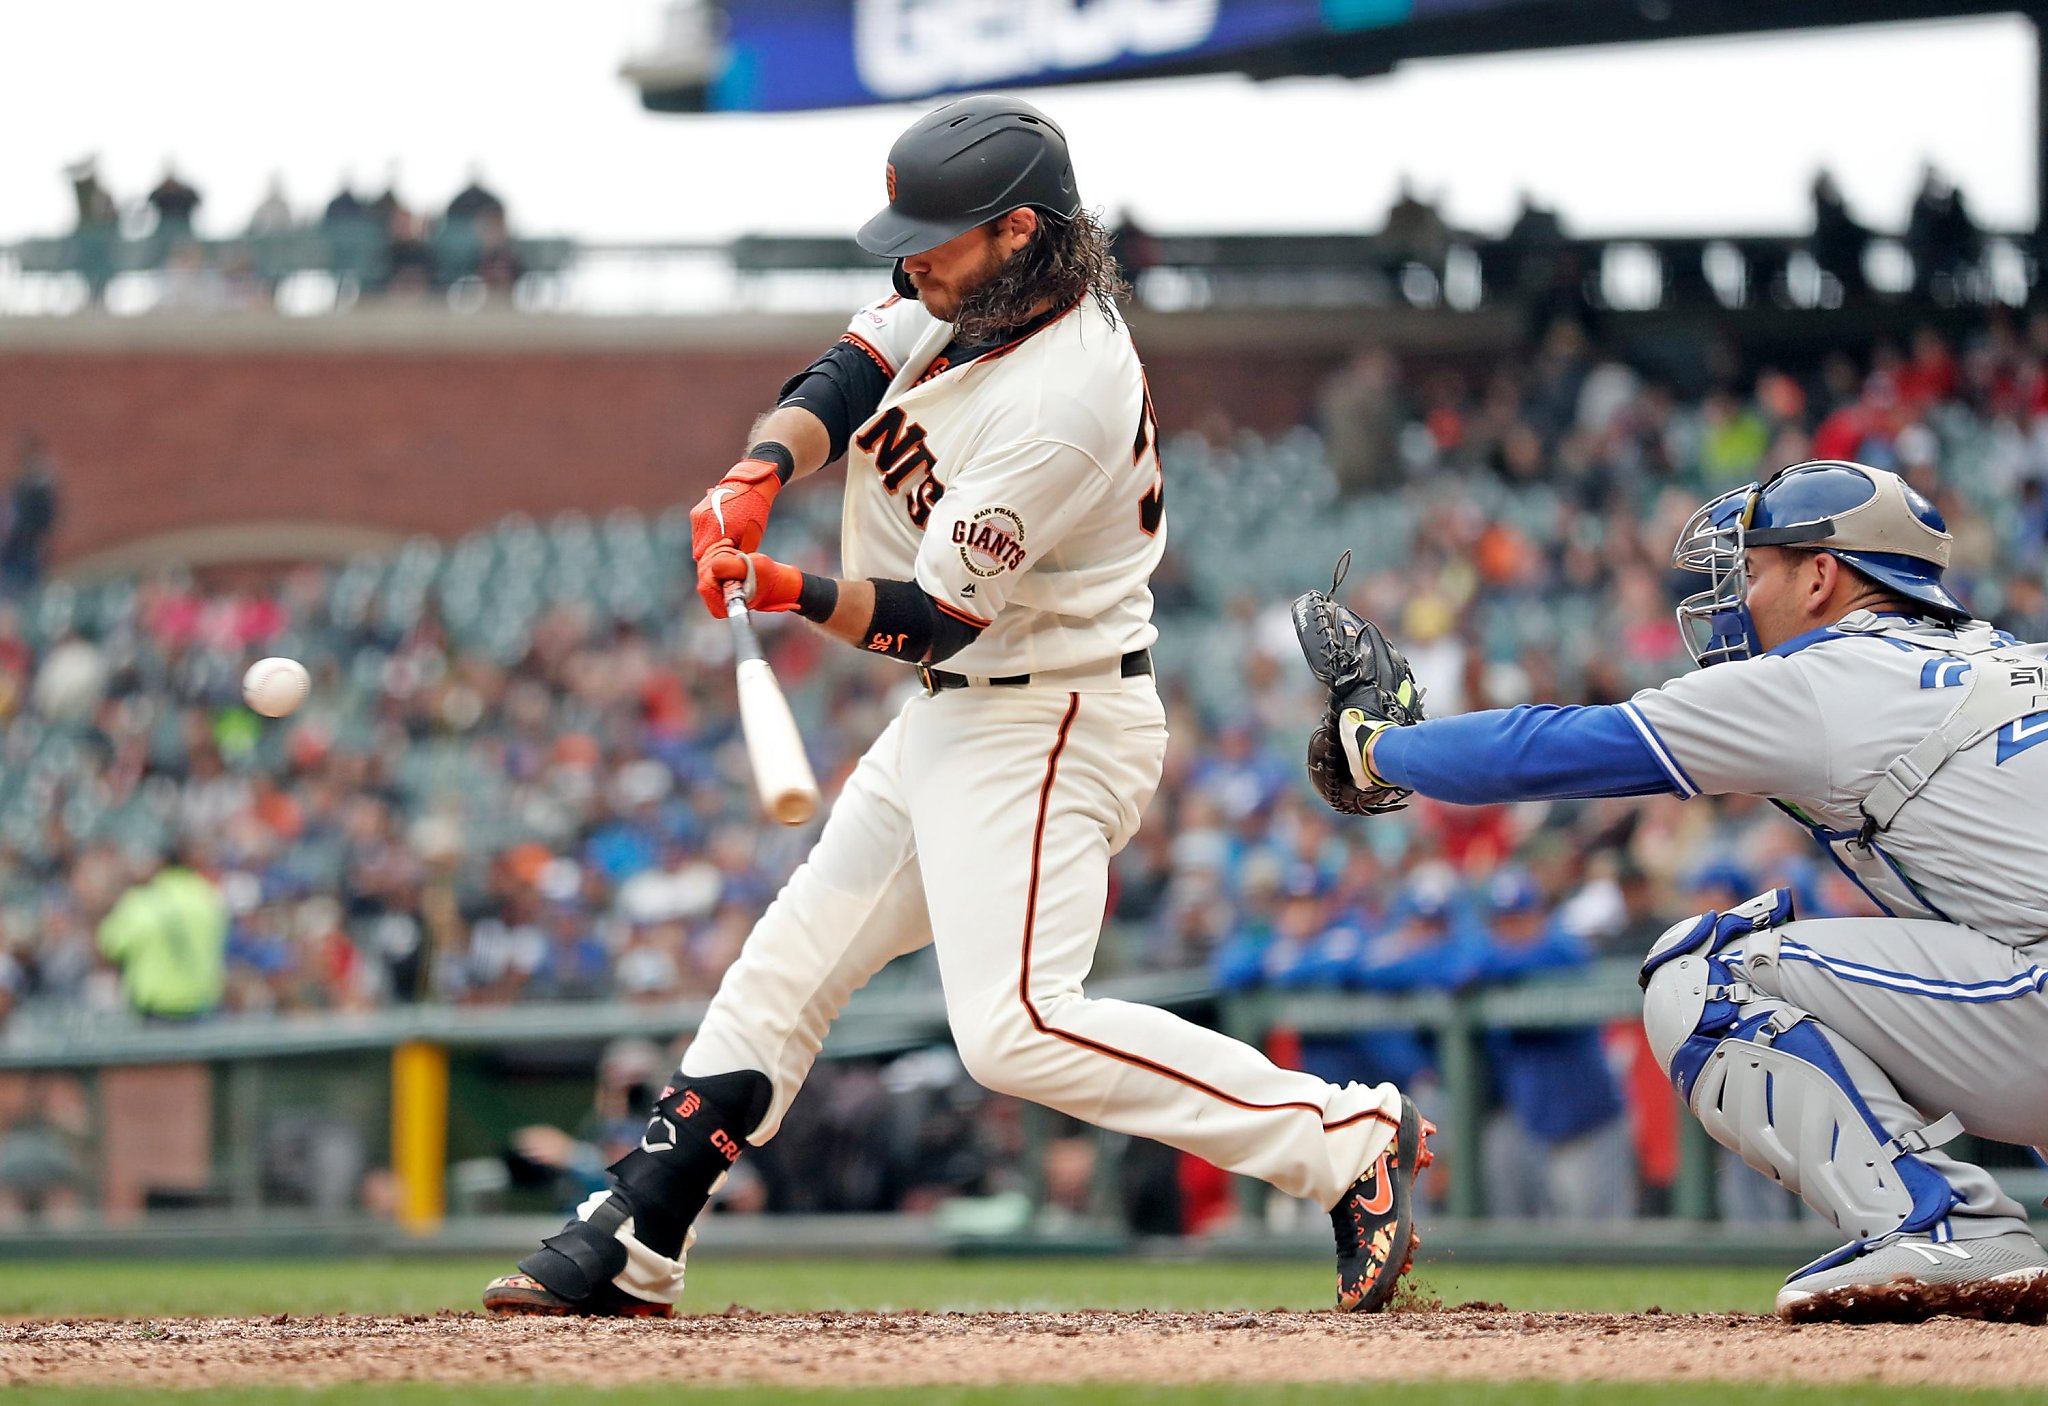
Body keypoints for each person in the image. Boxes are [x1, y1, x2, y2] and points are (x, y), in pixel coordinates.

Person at [482, 93, 1428, 1321]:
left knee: (1015, 1027)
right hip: (963, 715)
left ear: (1021, 232)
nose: (906, 252)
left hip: (1048, 716)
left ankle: (1343, 1138)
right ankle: (635, 1235)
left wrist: (778, 585)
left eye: (937, 232)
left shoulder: (1064, 394)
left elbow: (934, 619)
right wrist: (757, 470)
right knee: (790, 960)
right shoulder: (959, 295)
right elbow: (849, 366)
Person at [1296, 459, 2048, 1322]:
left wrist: (1382, 746)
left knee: (1706, 978)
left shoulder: (1832, 678)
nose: (1735, 595)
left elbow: (1562, 746)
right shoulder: (2011, 657)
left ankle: (1949, 1224)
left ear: (1820, 575)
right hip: (2025, 997)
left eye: (1754, 568)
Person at [96, 844, 229, 1020]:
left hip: (156, 1008)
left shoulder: (141, 901)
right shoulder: (209, 898)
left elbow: (109, 944)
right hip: (202, 1005)